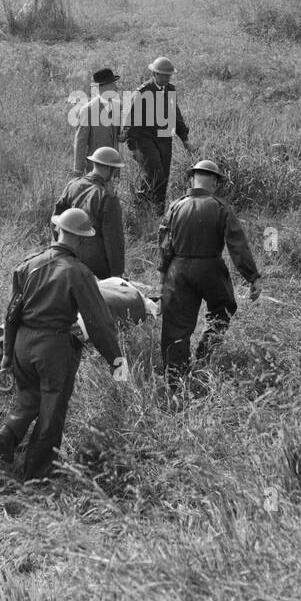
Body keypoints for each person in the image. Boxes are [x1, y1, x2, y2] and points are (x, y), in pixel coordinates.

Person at [0, 207, 128, 480]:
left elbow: (11, 313)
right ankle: (37, 476)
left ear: (58, 230)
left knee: (29, 398)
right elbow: (98, 322)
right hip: (52, 348)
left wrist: (7, 353)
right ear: (81, 240)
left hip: (22, 343)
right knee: (52, 411)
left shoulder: (28, 264)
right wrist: (116, 360)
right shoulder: (78, 272)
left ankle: (7, 434)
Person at [157, 160, 261, 378]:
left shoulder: (175, 206)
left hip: (178, 270)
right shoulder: (221, 207)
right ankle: (204, 356)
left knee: (175, 326)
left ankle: (176, 380)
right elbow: (237, 245)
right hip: (210, 269)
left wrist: (162, 274)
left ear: (191, 179)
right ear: (214, 182)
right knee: (222, 309)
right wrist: (252, 277)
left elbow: (165, 244)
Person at [124, 56, 190, 215]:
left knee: (164, 177)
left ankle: (159, 212)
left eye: (169, 75)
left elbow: (176, 116)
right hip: (144, 140)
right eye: (164, 75)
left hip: (164, 139)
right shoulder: (142, 92)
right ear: (155, 74)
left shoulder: (170, 90)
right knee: (155, 174)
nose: (167, 78)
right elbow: (130, 121)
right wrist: (133, 148)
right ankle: (140, 207)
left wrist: (185, 139)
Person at [52, 146, 126, 280]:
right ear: (110, 169)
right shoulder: (108, 197)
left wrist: (58, 250)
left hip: (67, 255)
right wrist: (117, 273)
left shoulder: (72, 185)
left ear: (94, 163)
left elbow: (56, 221)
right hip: (95, 264)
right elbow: (114, 239)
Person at [73, 67, 124, 176]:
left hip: (114, 168)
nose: (116, 88)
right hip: (95, 169)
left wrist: (123, 136)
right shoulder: (88, 110)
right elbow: (80, 142)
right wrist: (78, 170)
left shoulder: (118, 107)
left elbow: (118, 134)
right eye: (112, 85)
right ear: (103, 88)